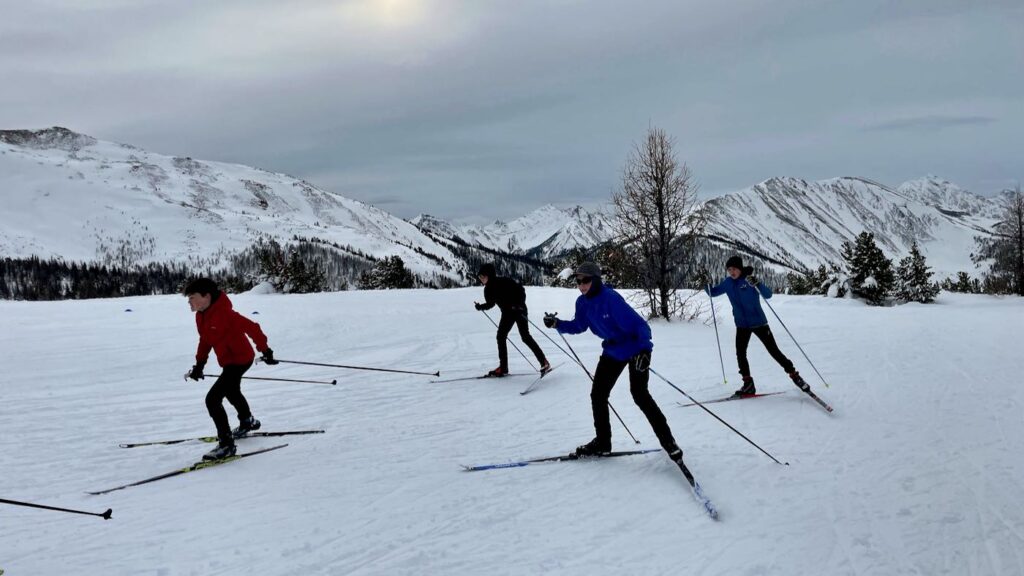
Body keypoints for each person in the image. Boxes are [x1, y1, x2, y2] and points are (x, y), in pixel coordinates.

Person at [544, 262, 682, 462]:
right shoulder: (582, 303)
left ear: (596, 280)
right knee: (598, 395)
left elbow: (640, 326)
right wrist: (558, 324)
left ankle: (669, 442)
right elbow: (579, 325)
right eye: (578, 281)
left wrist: (644, 351)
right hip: (613, 349)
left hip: (636, 348)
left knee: (640, 395)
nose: (581, 285)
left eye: (586, 280)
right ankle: (603, 442)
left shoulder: (610, 299)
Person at [184, 278, 278, 460]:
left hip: (241, 359)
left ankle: (227, 445)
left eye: (192, 297)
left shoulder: (226, 314)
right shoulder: (201, 316)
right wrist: (199, 365)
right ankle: (247, 421)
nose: (189, 302)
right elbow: (205, 341)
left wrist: (265, 350)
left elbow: (253, 328)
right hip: (228, 361)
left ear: (206, 297)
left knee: (213, 399)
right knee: (232, 391)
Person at [706, 256, 811, 397]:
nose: (732, 272)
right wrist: (705, 284)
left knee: (774, 351)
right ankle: (748, 384)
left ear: (740, 268)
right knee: (740, 353)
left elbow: (768, 295)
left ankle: (795, 376)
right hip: (742, 325)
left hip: (759, 323)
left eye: (734, 269)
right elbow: (713, 292)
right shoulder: (728, 283)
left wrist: (758, 284)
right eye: (729, 269)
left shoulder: (749, 281)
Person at [474, 264, 550, 377]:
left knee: (525, 336)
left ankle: (544, 362)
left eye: (483, 276)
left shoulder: (504, 281)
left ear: (489, 275)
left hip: (519, 310)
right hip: (507, 313)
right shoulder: (487, 290)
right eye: (480, 277)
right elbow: (491, 303)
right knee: (501, 336)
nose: (481, 279)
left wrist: (519, 304)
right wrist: (481, 307)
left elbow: (521, 290)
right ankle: (503, 368)